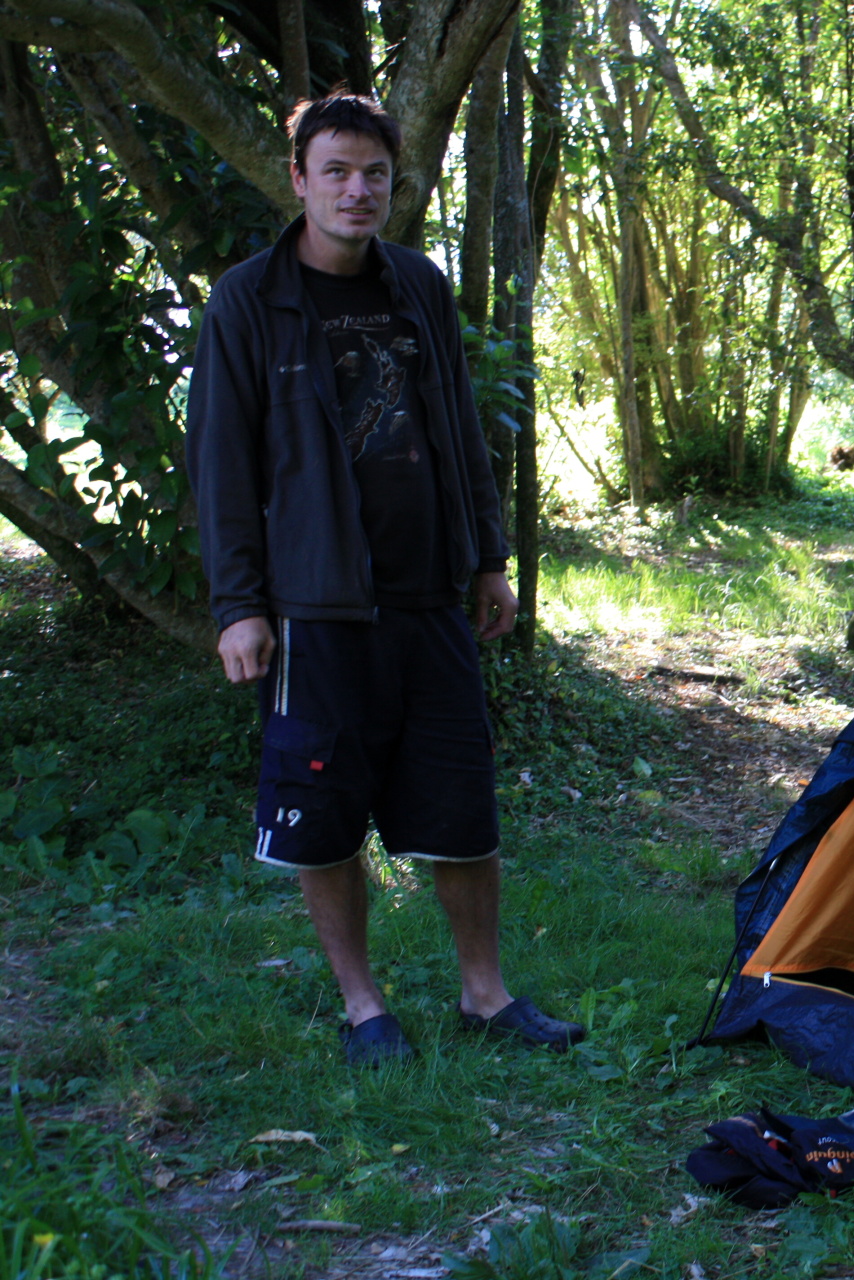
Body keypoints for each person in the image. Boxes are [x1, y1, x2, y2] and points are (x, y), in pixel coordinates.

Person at [186, 92, 583, 1067]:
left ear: (392, 186)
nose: (357, 190)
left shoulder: (420, 286)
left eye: (375, 174)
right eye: (337, 171)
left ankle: (484, 995)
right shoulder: (248, 300)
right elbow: (222, 466)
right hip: (316, 608)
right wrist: (239, 606)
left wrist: (486, 556)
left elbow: (459, 433)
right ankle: (364, 1007)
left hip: (428, 596)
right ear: (299, 179)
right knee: (323, 821)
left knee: (461, 805)